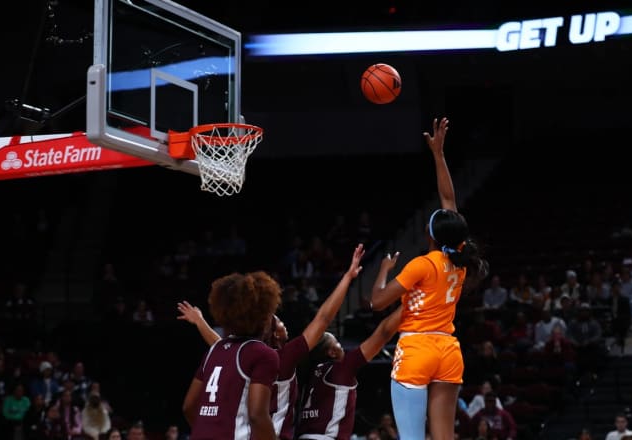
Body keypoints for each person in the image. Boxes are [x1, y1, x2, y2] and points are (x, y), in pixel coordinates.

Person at [369, 117, 489, 440]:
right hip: (448, 350)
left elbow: (377, 302)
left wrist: (382, 272)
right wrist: (438, 155)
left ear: (431, 234)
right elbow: (449, 202)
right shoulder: (459, 260)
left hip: (416, 349)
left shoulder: (422, 265)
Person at [178, 244, 366, 440]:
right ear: (273, 333)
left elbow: (221, 348)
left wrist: (200, 322)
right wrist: (347, 278)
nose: (283, 324)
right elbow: (323, 319)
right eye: (278, 321)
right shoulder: (279, 357)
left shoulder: (236, 353)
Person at [181, 271, 282, 440]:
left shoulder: (214, 351)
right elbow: (257, 415)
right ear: (262, 316)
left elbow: (188, 407)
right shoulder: (263, 354)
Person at [294, 306, 402, 440]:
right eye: (337, 343)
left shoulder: (308, 375)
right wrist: (408, 304)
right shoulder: (340, 369)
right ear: (332, 352)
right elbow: (383, 333)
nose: (342, 347)